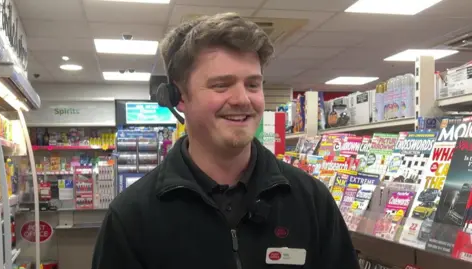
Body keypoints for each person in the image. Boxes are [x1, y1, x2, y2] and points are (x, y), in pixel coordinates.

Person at [92, 12, 360, 269]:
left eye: (253, 85)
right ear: (179, 97)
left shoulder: (312, 202)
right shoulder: (131, 217)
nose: (243, 99)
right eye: (221, 85)